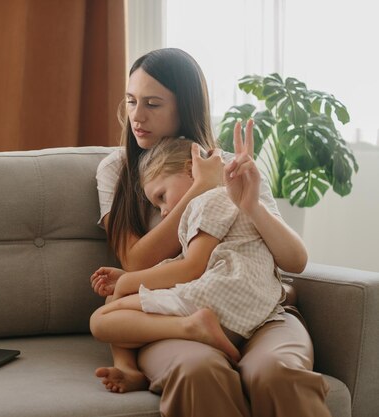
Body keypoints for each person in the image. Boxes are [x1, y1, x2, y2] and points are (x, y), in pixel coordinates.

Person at [95, 47, 331, 416]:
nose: (137, 117)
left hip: (258, 311)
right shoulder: (117, 170)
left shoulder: (233, 167)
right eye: (131, 101)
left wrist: (247, 203)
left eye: (153, 104)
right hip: (177, 317)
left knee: (276, 372)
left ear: (184, 107)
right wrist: (197, 190)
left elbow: (293, 260)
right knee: (198, 370)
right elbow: (135, 259)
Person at [90, 135, 286, 387]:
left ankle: (191, 327)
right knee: (116, 297)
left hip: (224, 296)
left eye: (161, 196)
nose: (164, 212)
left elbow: (192, 267)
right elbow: (193, 261)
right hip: (232, 294)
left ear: (189, 169)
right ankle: (131, 370)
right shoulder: (222, 201)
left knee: (101, 320)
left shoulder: (210, 199)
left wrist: (129, 280)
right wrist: (126, 279)